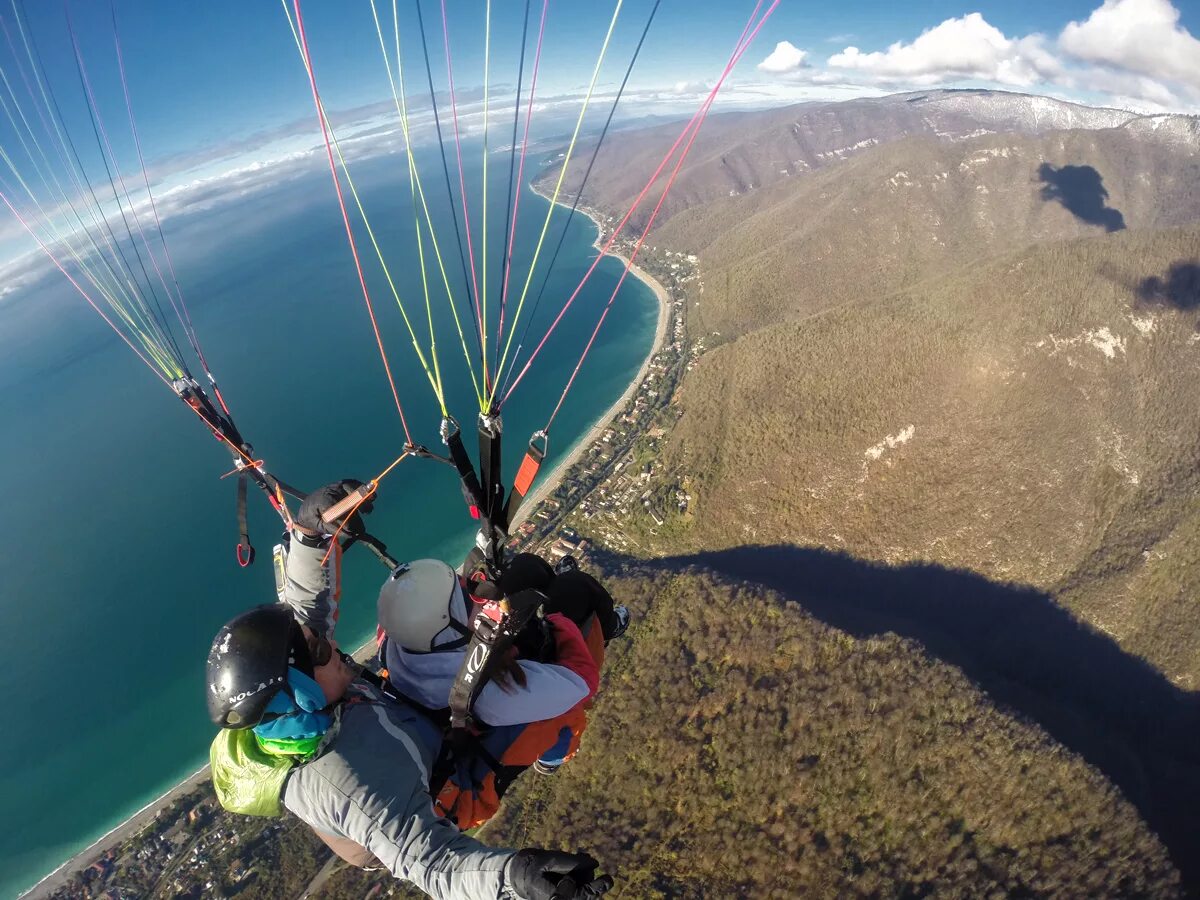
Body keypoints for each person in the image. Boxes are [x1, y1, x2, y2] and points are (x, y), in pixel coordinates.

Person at [206, 604, 614, 900]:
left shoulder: (301, 718)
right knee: (557, 711)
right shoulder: (351, 784)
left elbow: (306, 608)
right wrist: (516, 876)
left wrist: (312, 534)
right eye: (319, 651)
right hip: (446, 788)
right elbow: (435, 866)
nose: (330, 641)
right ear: (304, 695)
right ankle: (554, 752)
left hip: (408, 728)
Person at [376, 555, 627, 828]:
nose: (476, 596)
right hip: (500, 719)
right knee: (578, 591)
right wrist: (558, 620)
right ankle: (553, 756)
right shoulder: (491, 697)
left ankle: (559, 592)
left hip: (473, 662)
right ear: (451, 626)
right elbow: (581, 682)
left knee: (530, 568)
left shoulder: (399, 642)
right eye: (465, 596)